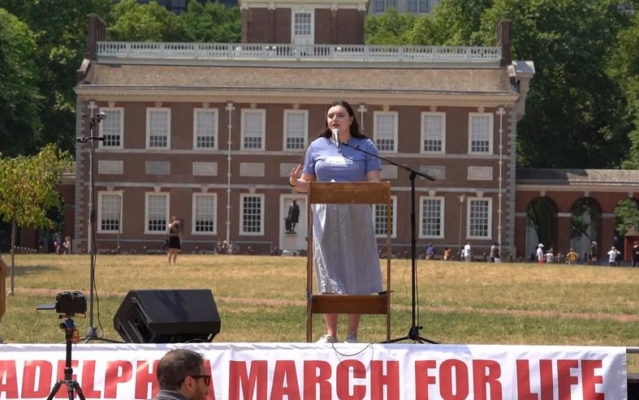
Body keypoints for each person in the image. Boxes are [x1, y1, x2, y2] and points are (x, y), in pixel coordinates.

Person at [288, 100, 382, 344]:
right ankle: (331, 334)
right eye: (330, 116)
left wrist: (352, 190)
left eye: (340, 115)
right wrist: (295, 183)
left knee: (355, 268)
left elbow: (374, 185)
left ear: (351, 119)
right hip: (325, 216)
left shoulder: (365, 146)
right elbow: (308, 184)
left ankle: (352, 334)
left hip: (356, 214)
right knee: (328, 269)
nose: (334, 120)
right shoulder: (317, 147)